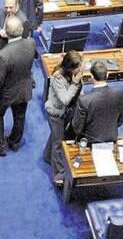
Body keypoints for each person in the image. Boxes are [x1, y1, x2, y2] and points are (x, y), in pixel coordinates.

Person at [0, 16, 36, 156]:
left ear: (6, 32)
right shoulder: (31, 43)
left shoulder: (3, 55)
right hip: (24, 89)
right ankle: (14, 142)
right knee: (20, 116)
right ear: (21, 30)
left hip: (5, 94)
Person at [44, 50, 83, 184]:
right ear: (69, 67)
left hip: (66, 112)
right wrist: (75, 84)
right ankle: (59, 176)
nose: (80, 69)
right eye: (77, 67)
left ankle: (47, 156)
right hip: (55, 113)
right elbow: (65, 99)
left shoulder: (74, 73)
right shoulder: (58, 78)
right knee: (59, 143)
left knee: (56, 135)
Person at [70, 60, 123, 143]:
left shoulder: (84, 100)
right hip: (112, 137)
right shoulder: (119, 93)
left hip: (89, 141)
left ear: (91, 77)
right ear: (107, 75)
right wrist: (112, 126)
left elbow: (77, 128)